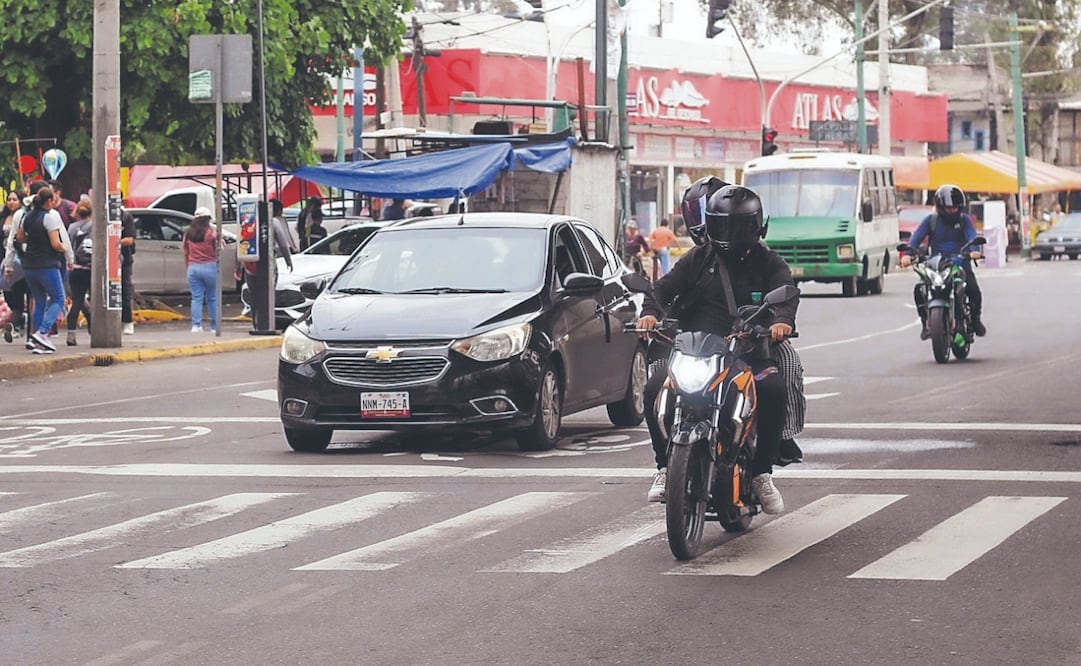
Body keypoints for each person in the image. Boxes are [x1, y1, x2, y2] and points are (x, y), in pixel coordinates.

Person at [636, 181, 798, 515]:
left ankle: (762, 474)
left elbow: (786, 291)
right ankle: (665, 468)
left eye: (737, 226)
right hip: (697, 350)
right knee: (654, 387)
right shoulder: (697, 258)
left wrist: (780, 321)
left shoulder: (770, 261)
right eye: (723, 225)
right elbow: (664, 290)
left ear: (756, 227)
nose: (729, 233)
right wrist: (650, 314)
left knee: (773, 389)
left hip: (748, 350)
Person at [901, 183, 986, 338]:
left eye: (955, 207)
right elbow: (916, 237)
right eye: (949, 207)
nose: (952, 210)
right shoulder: (931, 220)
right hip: (935, 265)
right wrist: (907, 254)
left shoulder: (965, 220)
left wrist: (974, 251)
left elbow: (971, 236)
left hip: (960, 264)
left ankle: (975, 320)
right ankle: (926, 322)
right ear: (940, 206)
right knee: (919, 289)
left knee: (974, 290)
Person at [16, 186, 70, 354]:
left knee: (39, 301)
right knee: (59, 300)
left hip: (30, 265)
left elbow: (20, 237)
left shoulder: (27, 216)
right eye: (53, 200)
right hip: (47, 265)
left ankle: (37, 340)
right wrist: (64, 249)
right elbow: (55, 243)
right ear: (48, 201)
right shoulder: (49, 218)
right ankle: (43, 331)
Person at [182, 207, 219, 333]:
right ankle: (214, 326)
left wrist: (189, 266)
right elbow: (219, 249)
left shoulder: (188, 233)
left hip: (193, 268)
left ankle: (196, 325)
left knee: (196, 298)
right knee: (212, 297)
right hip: (210, 266)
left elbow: (186, 252)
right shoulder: (212, 233)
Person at [65, 200, 94, 346]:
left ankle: (71, 334)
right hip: (91, 270)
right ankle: (95, 330)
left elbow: (68, 245)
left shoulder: (71, 227)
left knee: (76, 302)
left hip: (75, 269)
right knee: (96, 301)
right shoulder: (96, 226)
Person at [120, 208, 136, 334]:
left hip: (123, 259)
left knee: (125, 290)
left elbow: (130, 239)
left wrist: (113, 242)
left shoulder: (125, 216)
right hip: (103, 260)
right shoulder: (100, 214)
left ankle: (127, 321)